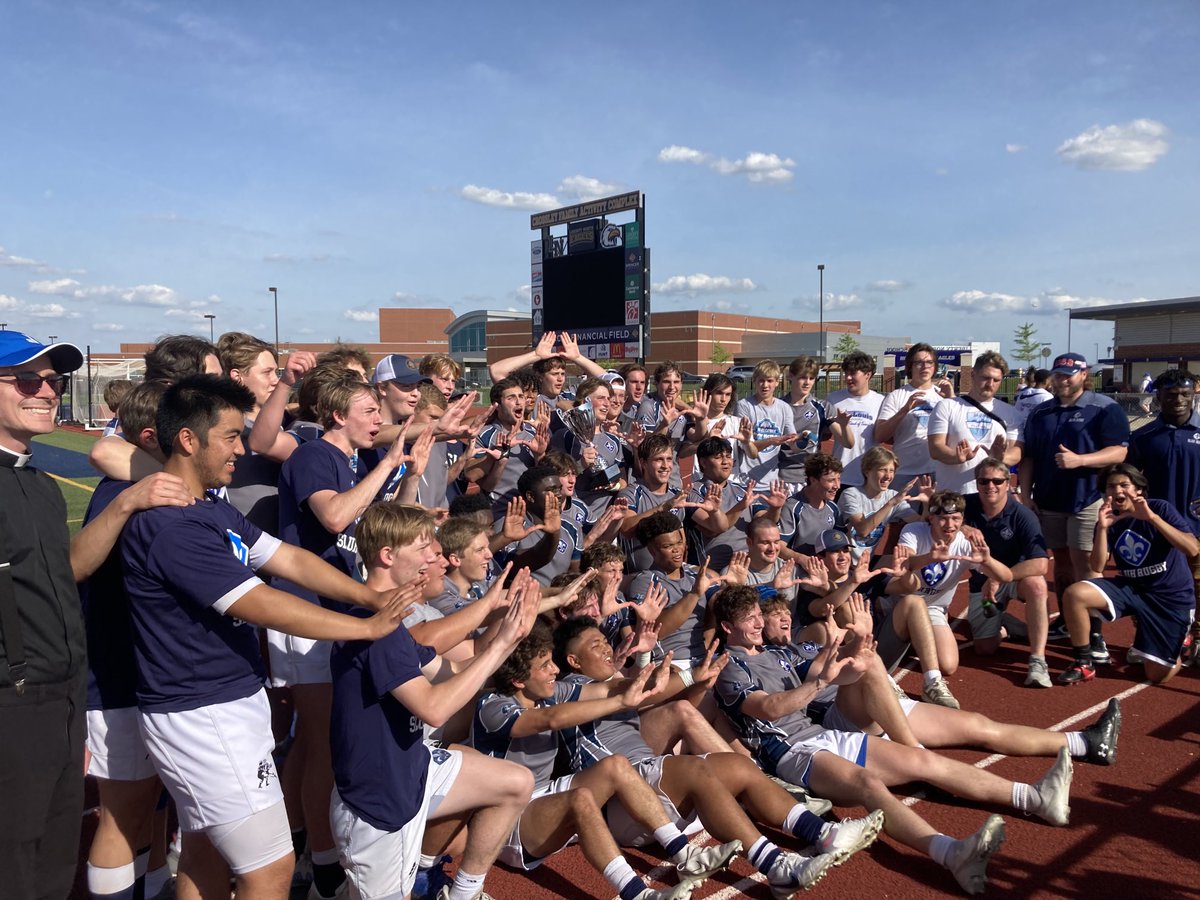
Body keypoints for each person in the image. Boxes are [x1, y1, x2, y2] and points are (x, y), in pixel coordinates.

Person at [119, 375, 416, 899]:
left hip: (220, 705)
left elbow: (286, 557)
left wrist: (369, 597)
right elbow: (263, 603)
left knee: (204, 851)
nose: (244, 448)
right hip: (204, 713)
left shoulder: (208, 507)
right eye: (231, 437)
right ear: (188, 440)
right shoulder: (173, 527)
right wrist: (364, 626)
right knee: (270, 870)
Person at [712, 586, 1074, 896]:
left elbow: (826, 670)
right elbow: (771, 708)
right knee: (868, 784)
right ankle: (951, 854)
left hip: (823, 734)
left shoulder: (776, 652)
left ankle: (1035, 798)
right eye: (750, 619)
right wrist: (823, 681)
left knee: (923, 762)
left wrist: (852, 642)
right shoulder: (730, 667)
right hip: (792, 751)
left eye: (759, 615)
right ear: (728, 627)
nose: (760, 623)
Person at [0, 332, 188, 900]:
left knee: (52, 861)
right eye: (26, 380)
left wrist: (129, 501)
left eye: (53, 381)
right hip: (13, 703)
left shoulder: (36, 485)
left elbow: (66, 573)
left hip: (59, 699)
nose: (46, 392)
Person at [553, 617, 884, 897]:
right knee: (696, 768)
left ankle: (823, 833)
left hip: (651, 785)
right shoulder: (569, 688)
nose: (606, 648)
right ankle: (776, 866)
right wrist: (688, 674)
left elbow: (647, 698)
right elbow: (633, 692)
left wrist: (692, 677)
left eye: (604, 641)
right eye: (595, 645)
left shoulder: (612, 683)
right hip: (623, 805)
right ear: (574, 662)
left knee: (739, 767)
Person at [331, 523, 542, 900]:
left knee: (515, 783)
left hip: (412, 768)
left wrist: (507, 633)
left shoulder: (389, 620)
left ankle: (464, 894)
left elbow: (456, 672)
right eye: (424, 548)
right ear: (387, 556)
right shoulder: (375, 628)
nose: (435, 557)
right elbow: (435, 708)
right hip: (379, 802)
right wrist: (502, 640)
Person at [471, 624, 738, 900]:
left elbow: (608, 690)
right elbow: (548, 720)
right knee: (581, 799)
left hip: (541, 795)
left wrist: (687, 677)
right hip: (503, 821)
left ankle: (686, 855)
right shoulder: (493, 706)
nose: (554, 670)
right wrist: (623, 702)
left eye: (552, 661)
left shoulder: (548, 692)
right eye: (545, 665)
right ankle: (639, 895)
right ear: (518, 680)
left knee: (616, 765)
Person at [1018, 352, 1129, 649]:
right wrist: (1025, 494)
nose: (1063, 380)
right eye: (1059, 374)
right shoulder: (1041, 413)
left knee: (1088, 565)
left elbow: (1119, 452)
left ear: (1084, 375)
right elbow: (1029, 457)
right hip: (1048, 500)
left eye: (1069, 374)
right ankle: (1069, 619)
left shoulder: (1104, 408)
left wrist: (1080, 460)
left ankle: (1094, 631)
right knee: (1062, 565)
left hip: (1087, 499)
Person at [1057, 464, 1200, 685]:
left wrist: (1151, 518)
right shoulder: (1109, 519)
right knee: (1075, 594)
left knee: (1156, 676)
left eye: (1124, 485)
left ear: (1139, 489)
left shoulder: (1160, 508)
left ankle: (1181, 643)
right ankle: (1083, 662)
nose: (1117, 491)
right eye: (1111, 486)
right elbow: (1096, 566)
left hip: (1170, 599)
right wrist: (1103, 528)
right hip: (1132, 589)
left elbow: (1192, 549)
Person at [882, 491, 1013, 707]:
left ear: (962, 520)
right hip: (901, 602)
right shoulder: (914, 531)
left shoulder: (964, 543)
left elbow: (1006, 576)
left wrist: (987, 561)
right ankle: (930, 681)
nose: (949, 524)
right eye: (943, 518)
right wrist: (930, 557)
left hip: (932, 609)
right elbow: (904, 566)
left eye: (955, 519)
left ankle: (916, 639)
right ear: (931, 518)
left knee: (949, 665)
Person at [1128, 369, 1200, 664]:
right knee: (1153, 587)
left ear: (1195, 392)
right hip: (1157, 528)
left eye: (1185, 394)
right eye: (1171, 395)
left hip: (1196, 527)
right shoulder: (1144, 436)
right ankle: (1150, 638)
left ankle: (1197, 639)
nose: (1179, 400)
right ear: (1158, 396)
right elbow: (1129, 480)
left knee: (1198, 586)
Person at [963, 457, 1053, 688]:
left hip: (1015, 578)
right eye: (983, 481)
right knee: (984, 649)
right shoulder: (965, 506)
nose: (990, 486)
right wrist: (963, 527)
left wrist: (997, 577)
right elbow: (934, 512)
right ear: (976, 483)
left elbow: (1041, 564)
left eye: (997, 481)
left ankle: (1037, 661)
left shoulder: (1023, 516)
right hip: (981, 583)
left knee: (1037, 585)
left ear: (1008, 483)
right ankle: (1008, 625)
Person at [927, 351, 1020, 495]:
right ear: (972, 375)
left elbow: (1017, 451)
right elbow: (935, 448)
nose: (990, 384)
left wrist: (1002, 458)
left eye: (996, 380)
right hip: (953, 495)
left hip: (993, 496)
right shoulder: (947, 406)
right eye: (985, 378)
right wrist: (956, 457)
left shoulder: (1011, 413)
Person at [874, 343, 954, 485]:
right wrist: (905, 410)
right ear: (910, 366)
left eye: (929, 362)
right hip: (905, 472)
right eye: (919, 363)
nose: (925, 367)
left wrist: (951, 399)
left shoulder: (943, 395)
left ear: (935, 366)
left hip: (937, 471)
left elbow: (958, 431)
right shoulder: (897, 396)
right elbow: (880, 435)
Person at [777, 357, 847, 487]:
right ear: (790, 376)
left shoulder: (823, 407)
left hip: (810, 478)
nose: (807, 383)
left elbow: (847, 443)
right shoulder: (777, 406)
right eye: (802, 377)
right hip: (780, 477)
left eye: (811, 378)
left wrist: (844, 426)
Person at [735, 360, 797, 488]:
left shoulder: (784, 408)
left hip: (771, 483)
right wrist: (771, 440)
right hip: (745, 481)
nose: (765, 385)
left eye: (769, 381)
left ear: (777, 382)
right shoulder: (744, 406)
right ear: (754, 381)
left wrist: (802, 439)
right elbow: (745, 446)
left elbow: (792, 440)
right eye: (761, 380)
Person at [826, 350, 884, 489]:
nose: (848, 378)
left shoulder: (881, 401)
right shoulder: (833, 400)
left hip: (870, 476)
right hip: (840, 476)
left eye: (853, 373)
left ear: (868, 375)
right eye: (846, 373)